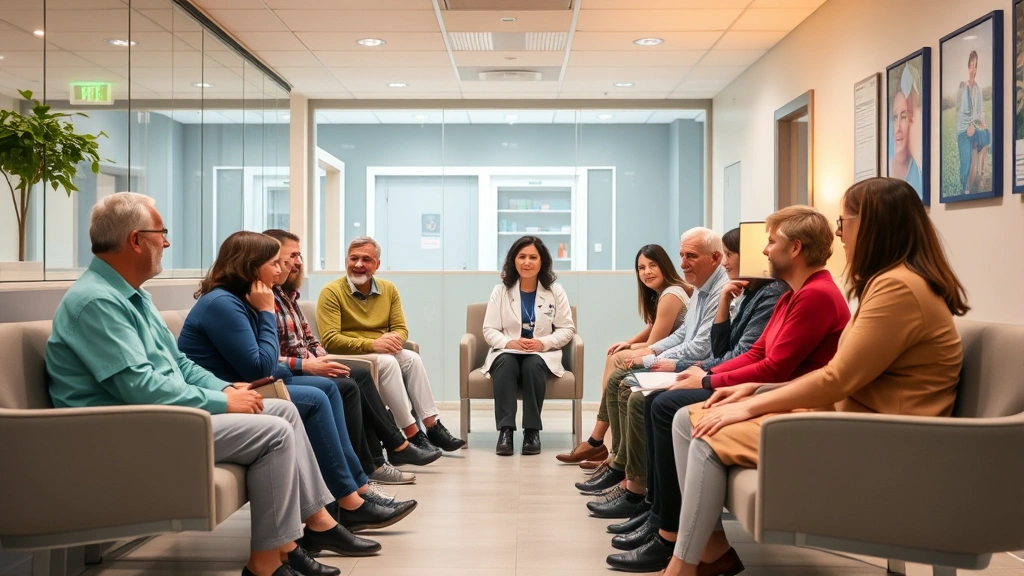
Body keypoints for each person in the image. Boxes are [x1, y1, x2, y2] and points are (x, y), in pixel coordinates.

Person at [46, 193, 378, 576]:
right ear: (135, 240)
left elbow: (178, 364)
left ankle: (290, 543)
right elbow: (139, 388)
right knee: (275, 432)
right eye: (161, 234)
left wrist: (224, 391)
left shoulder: (133, 296)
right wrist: (221, 403)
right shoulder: (98, 302)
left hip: (161, 415)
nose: (167, 243)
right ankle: (269, 563)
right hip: (124, 430)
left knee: (285, 409)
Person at [661, 177, 968, 576]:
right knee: (690, 419)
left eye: (844, 223)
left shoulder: (897, 289)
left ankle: (682, 567)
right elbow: (833, 375)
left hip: (882, 440)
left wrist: (750, 401)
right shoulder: (891, 284)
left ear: (873, 224)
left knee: (701, 431)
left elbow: (834, 380)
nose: (840, 234)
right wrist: (750, 389)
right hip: (858, 423)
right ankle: (701, 554)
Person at [607, 207, 850, 572]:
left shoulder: (814, 296)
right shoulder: (791, 295)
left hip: (783, 397)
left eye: (771, 242)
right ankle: (671, 525)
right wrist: (706, 377)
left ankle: (670, 530)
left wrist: (707, 380)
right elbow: (754, 352)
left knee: (663, 404)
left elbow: (775, 367)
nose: (765, 251)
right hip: (767, 389)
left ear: (796, 248)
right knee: (662, 402)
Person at [177, 231, 415, 540]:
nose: (282, 269)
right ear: (251, 266)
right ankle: (348, 498)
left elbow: (266, 361)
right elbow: (261, 365)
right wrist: (265, 311)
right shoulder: (225, 303)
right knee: (317, 397)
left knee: (329, 388)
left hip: (248, 384)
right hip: (230, 392)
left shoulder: (242, 299)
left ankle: (354, 492)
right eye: (274, 263)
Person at [263, 229, 441, 486]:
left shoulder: (287, 296)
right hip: (300, 368)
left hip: (316, 361)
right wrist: (315, 362)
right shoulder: (278, 298)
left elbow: (309, 340)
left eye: (299, 256)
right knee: (351, 384)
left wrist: (393, 341)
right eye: (293, 256)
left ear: (377, 265)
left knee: (387, 366)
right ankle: (390, 451)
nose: (299, 263)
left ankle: (421, 432)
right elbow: (320, 341)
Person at [577, 228, 729, 518]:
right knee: (622, 379)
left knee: (631, 389)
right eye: (682, 255)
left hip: (697, 367)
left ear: (717, 258)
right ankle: (622, 469)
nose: (683, 262)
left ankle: (635, 486)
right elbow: (682, 334)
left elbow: (700, 347)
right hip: (687, 362)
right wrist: (651, 352)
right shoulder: (699, 288)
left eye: (690, 256)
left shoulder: (714, 291)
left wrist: (650, 357)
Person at [316, 236, 465, 452]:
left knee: (412, 358)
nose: (358, 265)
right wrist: (373, 344)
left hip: (379, 350)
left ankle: (432, 425)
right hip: (350, 354)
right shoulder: (331, 292)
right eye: (353, 258)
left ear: (377, 264)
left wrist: (393, 339)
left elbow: (401, 329)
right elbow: (330, 339)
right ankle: (412, 433)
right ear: (346, 261)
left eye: (366, 259)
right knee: (388, 363)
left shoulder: (388, 289)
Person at [556, 244, 691, 466]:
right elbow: (653, 327)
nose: (646, 272)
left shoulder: (671, 294)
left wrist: (632, 348)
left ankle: (601, 445)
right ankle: (603, 447)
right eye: (641, 267)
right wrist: (628, 342)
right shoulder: (662, 294)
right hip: (666, 351)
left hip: (676, 358)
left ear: (665, 266)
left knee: (619, 359)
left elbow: (654, 343)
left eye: (652, 265)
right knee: (616, 353)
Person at [480, 236, 576, 456]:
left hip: (540, 353)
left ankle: (532, 431)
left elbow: (567, 328)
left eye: (533, 257)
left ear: (542, 261)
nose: (527, 262)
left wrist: (543, 343)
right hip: (508, 350)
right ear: (513, 260)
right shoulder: (501, 291)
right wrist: (509, 342)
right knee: (505, 362)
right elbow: (489, 329)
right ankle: (505, 431)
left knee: (532, 364)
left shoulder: (555, 291)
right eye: (522, 256)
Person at [956, 50, 991, 194]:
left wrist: (981, 124)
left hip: (974, 127)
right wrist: (969, 126)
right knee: (967, 163)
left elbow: (980, 110)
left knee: (986, 136)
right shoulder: (963, 86)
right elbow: (960, 112)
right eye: (971, 66)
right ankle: (965, 190)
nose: (973, 69)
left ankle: (982, 173)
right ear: (968, 67)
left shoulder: (978, 88)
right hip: (963, 130)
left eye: (975, 66)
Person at [889, 86, 923, 195]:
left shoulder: (918, 173)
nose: (897, 128)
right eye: (895, 117)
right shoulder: (886, 171)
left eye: (904, 117)